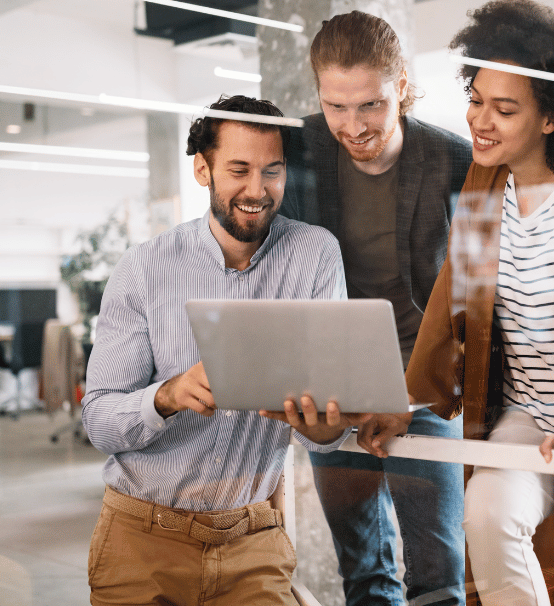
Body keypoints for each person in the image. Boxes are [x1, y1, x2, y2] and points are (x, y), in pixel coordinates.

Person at [359, 0, 554, 606]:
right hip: (528, 410)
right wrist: (404, 401)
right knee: (485, 516)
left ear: (552, 117)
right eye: (477, 99)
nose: (480, 120)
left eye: (504, 109)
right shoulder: (488, 178)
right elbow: (457, 294)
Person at [82, 95, 360, 606]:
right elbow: (98, 420)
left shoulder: (316, 254)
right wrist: (167, 395)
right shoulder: (145, 269)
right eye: (239, 170)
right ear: (202, 169)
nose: (257, 191)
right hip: (143, 541)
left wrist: (320, 420)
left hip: (252, 545)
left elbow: (326, 437)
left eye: (271, 172)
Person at [278, 11, 471, 606]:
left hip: (424, 379)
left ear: (403, 87)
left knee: (437, 569)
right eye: (336, 106)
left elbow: (479, 295)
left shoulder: (453, 161)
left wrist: (422, 392)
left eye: (370, 105)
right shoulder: (301, 148)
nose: (353, 125)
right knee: (362, 566)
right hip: (336, 377)